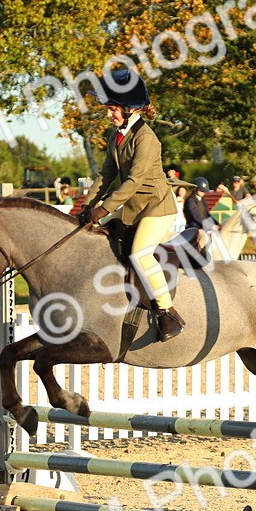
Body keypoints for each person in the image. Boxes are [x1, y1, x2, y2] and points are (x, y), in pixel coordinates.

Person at [81, 68, 185, 341]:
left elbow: (134, 182)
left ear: (129, 109)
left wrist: (102, 209)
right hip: (134, 207)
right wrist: (85, 205)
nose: (108, 114)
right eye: (108, 109)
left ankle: (168, 312)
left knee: (140, 253)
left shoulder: (146, 138)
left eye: (112, 109)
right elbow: (106, 175)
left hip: (157, 207)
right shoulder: (117, 135)